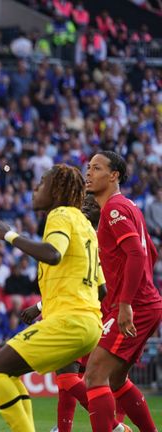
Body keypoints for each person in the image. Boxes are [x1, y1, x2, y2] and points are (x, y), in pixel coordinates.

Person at [0, 164, 102, 432]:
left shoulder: (60, 215)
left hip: (70, 321)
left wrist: (9, 234)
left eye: (42, 183)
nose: (36, 189)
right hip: (88, 322)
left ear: (56, 189)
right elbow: (100, 289)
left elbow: (52, 253)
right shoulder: (85, 225)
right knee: (25, 375)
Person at [19, 194, 129, 432]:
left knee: (69, 378)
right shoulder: (84, 234)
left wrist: (39, 307)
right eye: (84, 203)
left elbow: (84, 283)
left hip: (80, 316)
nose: (85, 206)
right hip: (87, 314)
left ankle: (114, 425)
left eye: (90, 205)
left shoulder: (91, 237)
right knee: (66, 380)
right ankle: (65, 428)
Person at [83, 151, 162, 432]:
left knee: (93, 375)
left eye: (97, 168)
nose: (89, 173)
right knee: (114, 381)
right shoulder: (128, 206)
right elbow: (150, 253)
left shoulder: (113, 209)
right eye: (88, 168)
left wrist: (127, 301)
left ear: (114, 175)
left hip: (134, 306)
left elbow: (138, 255)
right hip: (144, 302)